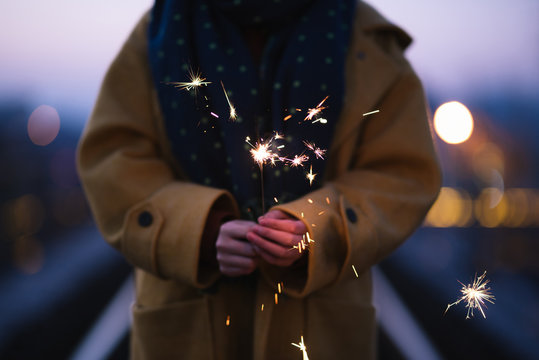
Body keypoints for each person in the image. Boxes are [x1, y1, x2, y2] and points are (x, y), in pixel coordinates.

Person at [77, 0, 441, 359]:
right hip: (187, 329)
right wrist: (200, 231)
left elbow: (401, 175)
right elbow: (113, 162)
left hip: (320, 331)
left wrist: (315, 227)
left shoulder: (368, 38)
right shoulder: (158, 31)